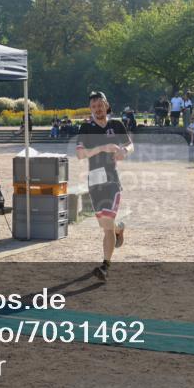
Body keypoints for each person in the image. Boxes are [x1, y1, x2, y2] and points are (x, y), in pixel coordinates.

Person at [75, 91, 133, 282]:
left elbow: (130, 145)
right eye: (93, 106)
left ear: (106, 105)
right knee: (105, 224)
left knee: (106, 224)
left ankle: (105, 266)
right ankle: (119, 229)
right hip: (94, 181)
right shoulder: (86, 126)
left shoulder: (116, 124)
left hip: (112, 179)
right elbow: (80, 154)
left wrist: (124, 151)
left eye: (100, 105)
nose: (97, 109)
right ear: (90, 108)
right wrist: (101, 148)